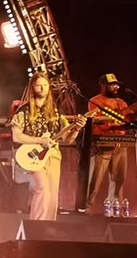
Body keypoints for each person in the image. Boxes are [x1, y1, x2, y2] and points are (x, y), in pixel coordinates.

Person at [11, 73, 86, 220]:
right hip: (34, 156)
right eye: (39, 85)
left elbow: (68, 139)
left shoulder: (56, 111)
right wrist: (39, 140)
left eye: (45, 85)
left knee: (52, 192)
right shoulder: (24, 111)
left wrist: (77, 128)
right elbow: (16, 136)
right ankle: (37, 226)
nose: (42, 88)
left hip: (53, 155)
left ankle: (49, 227)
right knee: (42, 189)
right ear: (33, 87)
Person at [85, 73, 135, 213]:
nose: (116, 87)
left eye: (117, 84)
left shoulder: (121, 102)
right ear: (103, 85)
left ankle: (115, 211)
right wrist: (126, 111)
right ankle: (86, 209)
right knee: (94, 181)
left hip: (120, 145)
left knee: (119, 180)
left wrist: (132, 111)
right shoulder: (95, 101)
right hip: (102, 145)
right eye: (112, 84)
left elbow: (127, 122)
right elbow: (101, 121)